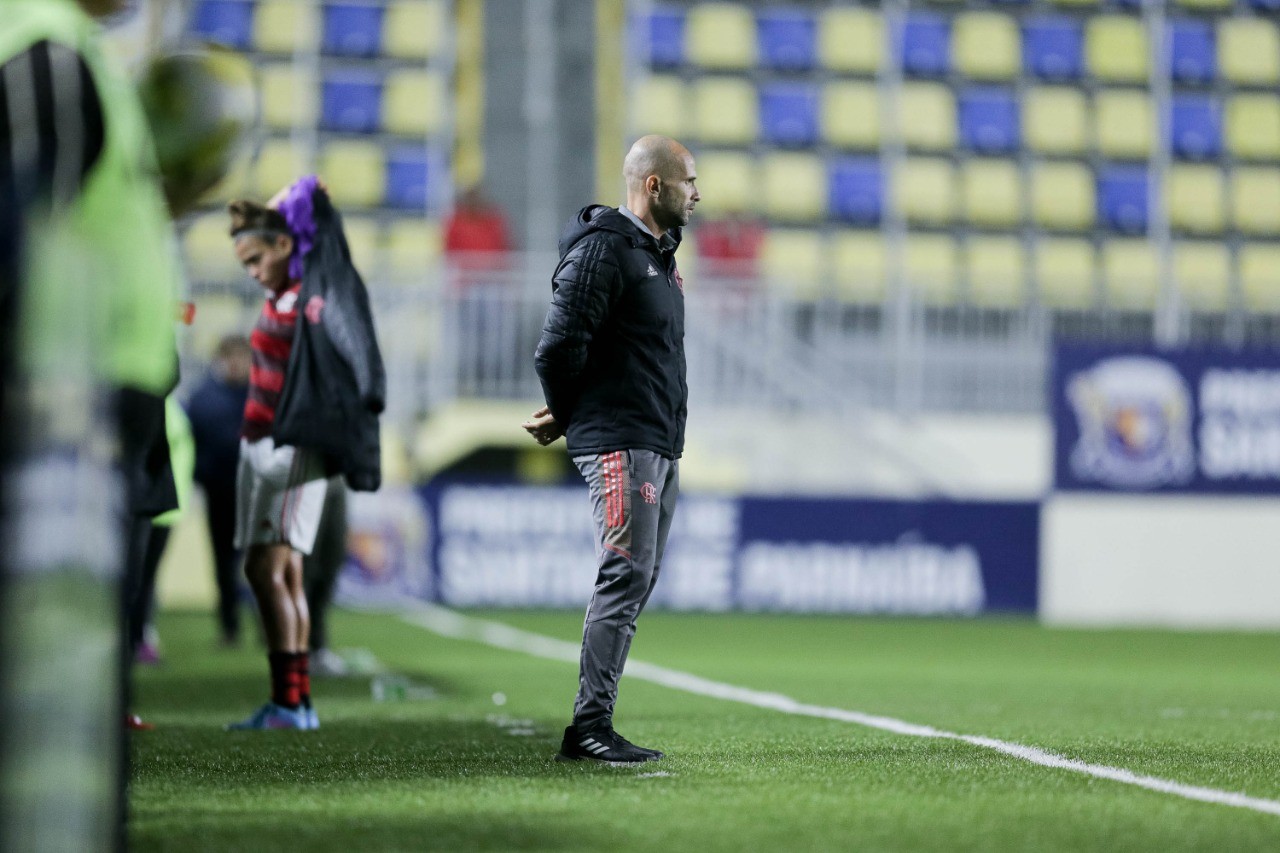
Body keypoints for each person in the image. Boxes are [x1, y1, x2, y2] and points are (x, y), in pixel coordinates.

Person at [1, 0, 187, 846]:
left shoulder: (67, 47)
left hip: (94, 390)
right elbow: (25, 234)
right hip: (70, 393)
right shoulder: (43, 47)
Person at [523, 135, 699, 764]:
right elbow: (557, 345)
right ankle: (588, 727)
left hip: (654, 440)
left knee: (637, 577)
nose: (697, 195)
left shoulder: (658, 258)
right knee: (624, 573)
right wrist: (570, 414)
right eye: (688, 183)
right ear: (654, 185)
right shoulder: (605, 252)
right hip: (623, 442)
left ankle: (595, 721)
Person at [225, 175, 385, 731]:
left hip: (291, 445)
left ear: (287, 246)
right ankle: (293, 702)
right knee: (282, 568)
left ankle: (291, 702)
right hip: (265, 442)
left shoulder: (310, 298)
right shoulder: (287, 296)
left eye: (255, 259)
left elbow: (349, 361)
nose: (251, 271)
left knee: (266, 567)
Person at [184, 334, 252, 646]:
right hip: (220, 490)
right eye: (231, 357)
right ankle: (230, 627)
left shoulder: (264, 396)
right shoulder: (204, 398)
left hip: (256, 490)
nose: (237, 364)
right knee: (224, 561)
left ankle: (268, 625)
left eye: (242, 357)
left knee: (260, 560)